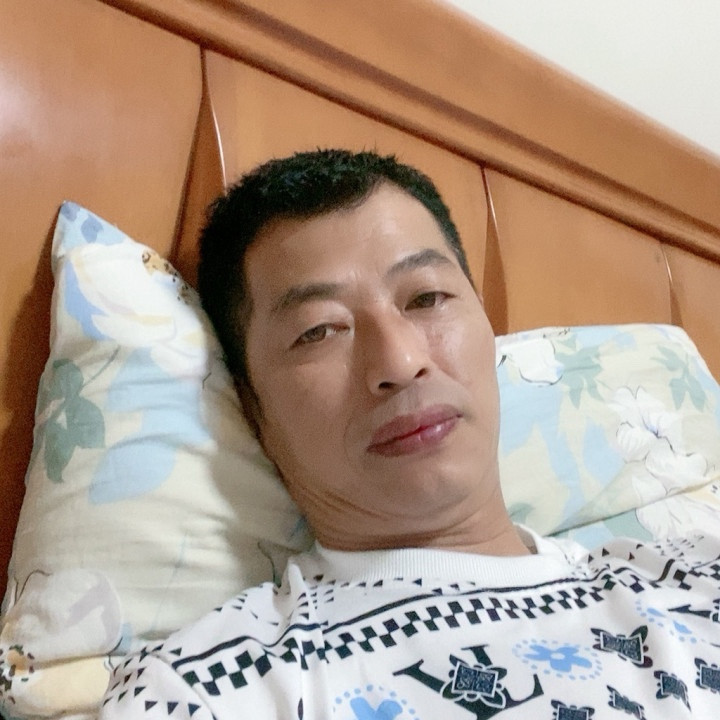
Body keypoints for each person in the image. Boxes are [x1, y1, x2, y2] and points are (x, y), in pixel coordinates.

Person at [100, 150, 720, 719]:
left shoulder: (695, 581)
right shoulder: (210, 689)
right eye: (318, 330)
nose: (399, 362)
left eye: (426, 298)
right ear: (252, 408)